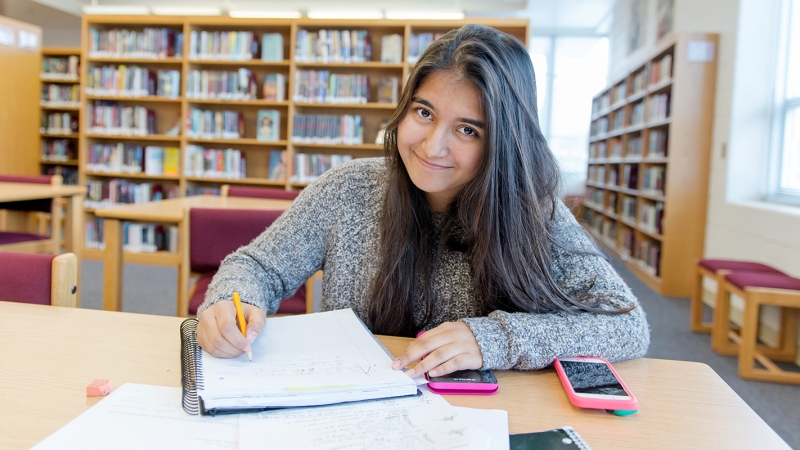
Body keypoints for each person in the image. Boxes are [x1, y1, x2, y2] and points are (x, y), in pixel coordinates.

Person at [196, 24, 650, 378]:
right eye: (424, 113)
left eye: (468, 129)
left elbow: (626, 324)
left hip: (480, 419)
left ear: (504, 143)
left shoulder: (535, 211)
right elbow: (256, 267)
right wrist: (230, 302)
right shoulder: (347, 189)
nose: (432, 147)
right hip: (353, 415)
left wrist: (494, 339)